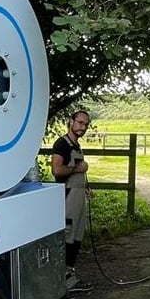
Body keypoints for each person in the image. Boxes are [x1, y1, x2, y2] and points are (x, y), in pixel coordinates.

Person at [51, 110, 91, 288]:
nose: (83, 127)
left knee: (77, 235)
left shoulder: (77, 146)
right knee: (67, 234)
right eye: (80, 123)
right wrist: (78, 169)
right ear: (71, 122)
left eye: (86, 125)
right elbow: (57, 171)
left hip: (78, 197)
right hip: (67, 198)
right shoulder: (62, 144)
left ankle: (69, 273)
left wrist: (86, 188)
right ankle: (59, 277)